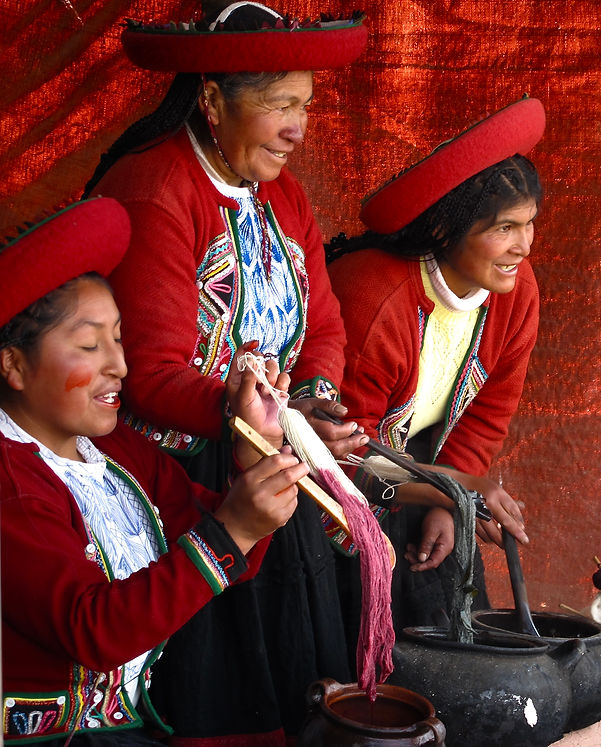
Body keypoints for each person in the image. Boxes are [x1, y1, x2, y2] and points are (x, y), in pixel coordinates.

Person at [84, 3, 370, 741]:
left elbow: (324, 325)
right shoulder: (157, 189)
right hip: (182, 477)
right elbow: (148, 375)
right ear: (212, 100)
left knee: (299, 685)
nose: (298, 128)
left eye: (305, 106)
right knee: (223, 694)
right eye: (280, 105)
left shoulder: (285, 195)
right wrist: (256, 419)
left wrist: (315, 406)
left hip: (270, 456)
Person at [0, 197, 309, 745]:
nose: (120, 365)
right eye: (89, 345)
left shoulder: (114, 449)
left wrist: (254, 457)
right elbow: (93, 629)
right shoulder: (11, 482)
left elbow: (219, 549)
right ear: (14, 365)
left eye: (118, 338)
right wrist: (234, 529)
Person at [326, 96, 545, 630]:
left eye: (529, 224)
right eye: (504, 228)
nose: (523, 246)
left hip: (420, 466)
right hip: (328, 482)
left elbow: (485, 417)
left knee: (451, 616)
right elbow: (342, 453)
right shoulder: (375, 296)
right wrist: (458, 488)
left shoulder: (516, 294)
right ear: (447, 229)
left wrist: (449, 504)